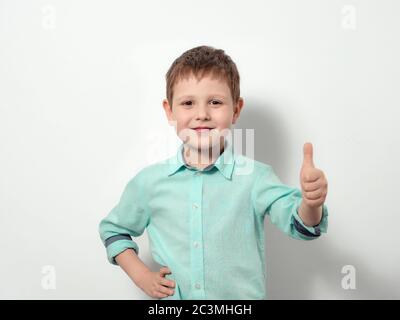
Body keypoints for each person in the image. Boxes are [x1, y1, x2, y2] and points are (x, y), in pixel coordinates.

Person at [98, 45, 329, 300]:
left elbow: (301, 225)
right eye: (188, 103)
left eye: (215, 102)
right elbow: (114, 230)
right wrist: (143, 277)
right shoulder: (149, 182)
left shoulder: (256, 178)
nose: (202, 114)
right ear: (169, 111)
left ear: (236, 110)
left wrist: (311, 203)